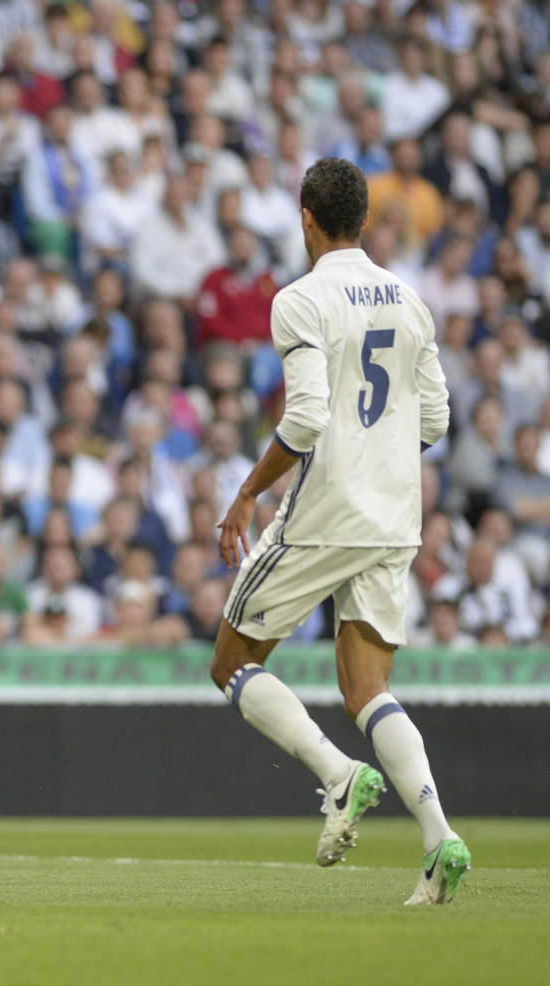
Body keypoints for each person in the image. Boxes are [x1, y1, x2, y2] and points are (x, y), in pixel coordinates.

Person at [210, 159, 468, 906]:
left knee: (230, 662)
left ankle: (338, 774)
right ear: (362, 217)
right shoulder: (410, 300)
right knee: (368, 690)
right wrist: (379, 457)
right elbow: (436, 421)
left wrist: (248, 492)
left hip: (326, 512)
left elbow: (306, 417)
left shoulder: (300, 299)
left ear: (307, 219)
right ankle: (438, 838)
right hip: (395, 515)